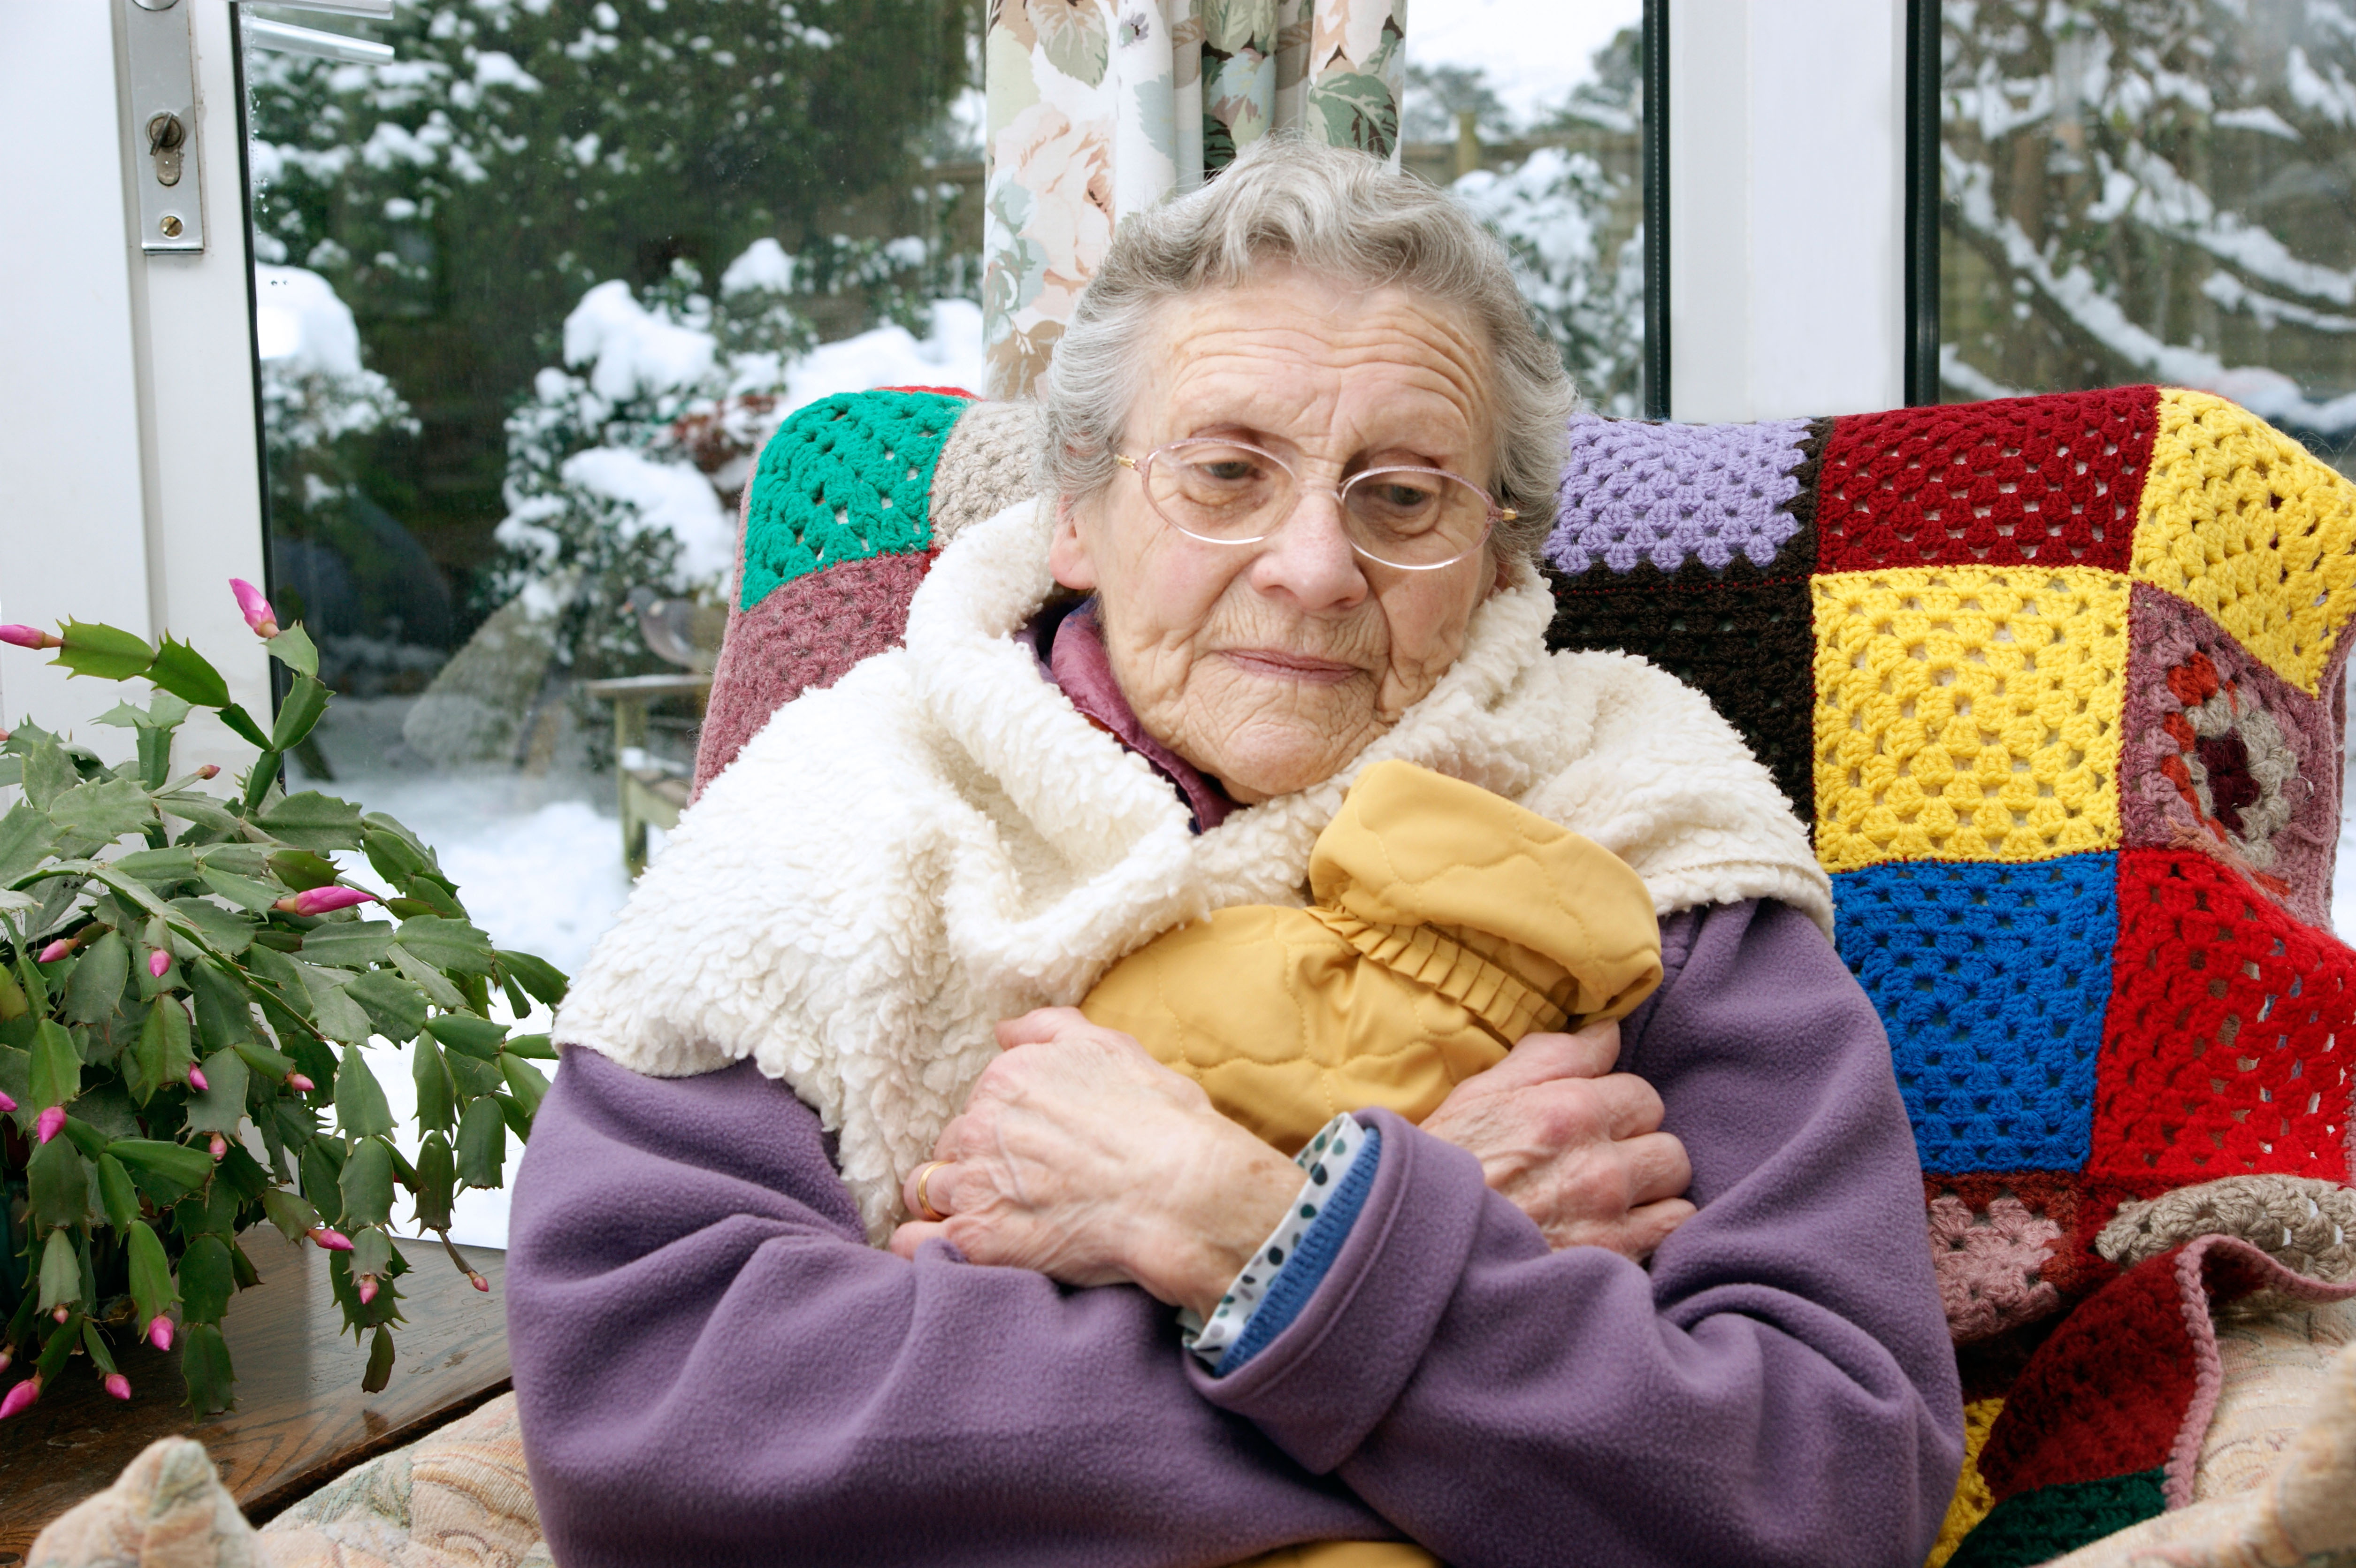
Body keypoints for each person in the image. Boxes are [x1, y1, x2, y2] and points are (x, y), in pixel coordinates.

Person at [507, 138, 1963, 1567]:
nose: (1313, 568)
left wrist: (1232, 1222)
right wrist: (1395, 1300)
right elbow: (647, 1434)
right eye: (1223, 473)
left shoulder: (1648, 821)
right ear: (1073, 510)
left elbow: (1827, 1483)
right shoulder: (838, 811)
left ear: (1502, 554)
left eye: (1402, 497)